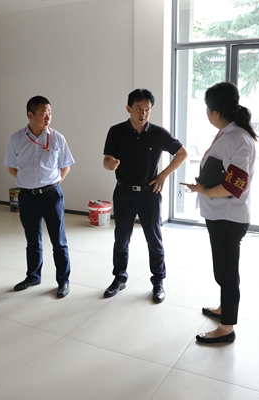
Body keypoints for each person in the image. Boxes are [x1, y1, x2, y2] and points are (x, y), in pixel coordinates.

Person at [181, 82, 258, 344]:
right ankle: (224, 308)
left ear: (215, 112)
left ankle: (227, 328)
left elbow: (235, 185)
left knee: (226, 273)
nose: (206, 113)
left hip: (228, 217)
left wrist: (206, 191)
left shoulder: (238, 139)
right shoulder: (228, 133)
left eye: (207, 108)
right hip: (220, 215)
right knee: (223, 270)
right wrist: (202, 188)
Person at [103, 88, 187, 303]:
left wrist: (163, 175)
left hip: (150, 194)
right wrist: (110, 164)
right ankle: (119, 278)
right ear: (128, 108)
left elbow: (182, 153)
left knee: (154, 240)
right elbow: (106, 160)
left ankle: (158, 282)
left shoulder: (158, 133)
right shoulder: (116, 131)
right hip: (124, 192)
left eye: (147, 109)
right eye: (138, 108)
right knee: (121, 239)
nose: (143, 113)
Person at [4, 96, 75, 298]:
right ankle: (33, 276)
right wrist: (28, 182)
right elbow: (11, 167)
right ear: (30, 114)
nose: (48, 117)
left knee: (58, 240)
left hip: (52, 195)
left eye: (50, 113)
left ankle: (63, 281)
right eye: (44, 114)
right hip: (27, 196)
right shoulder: (16, 139)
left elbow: (66, 166)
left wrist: (54, 182)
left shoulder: (57, 138)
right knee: (32, 239)